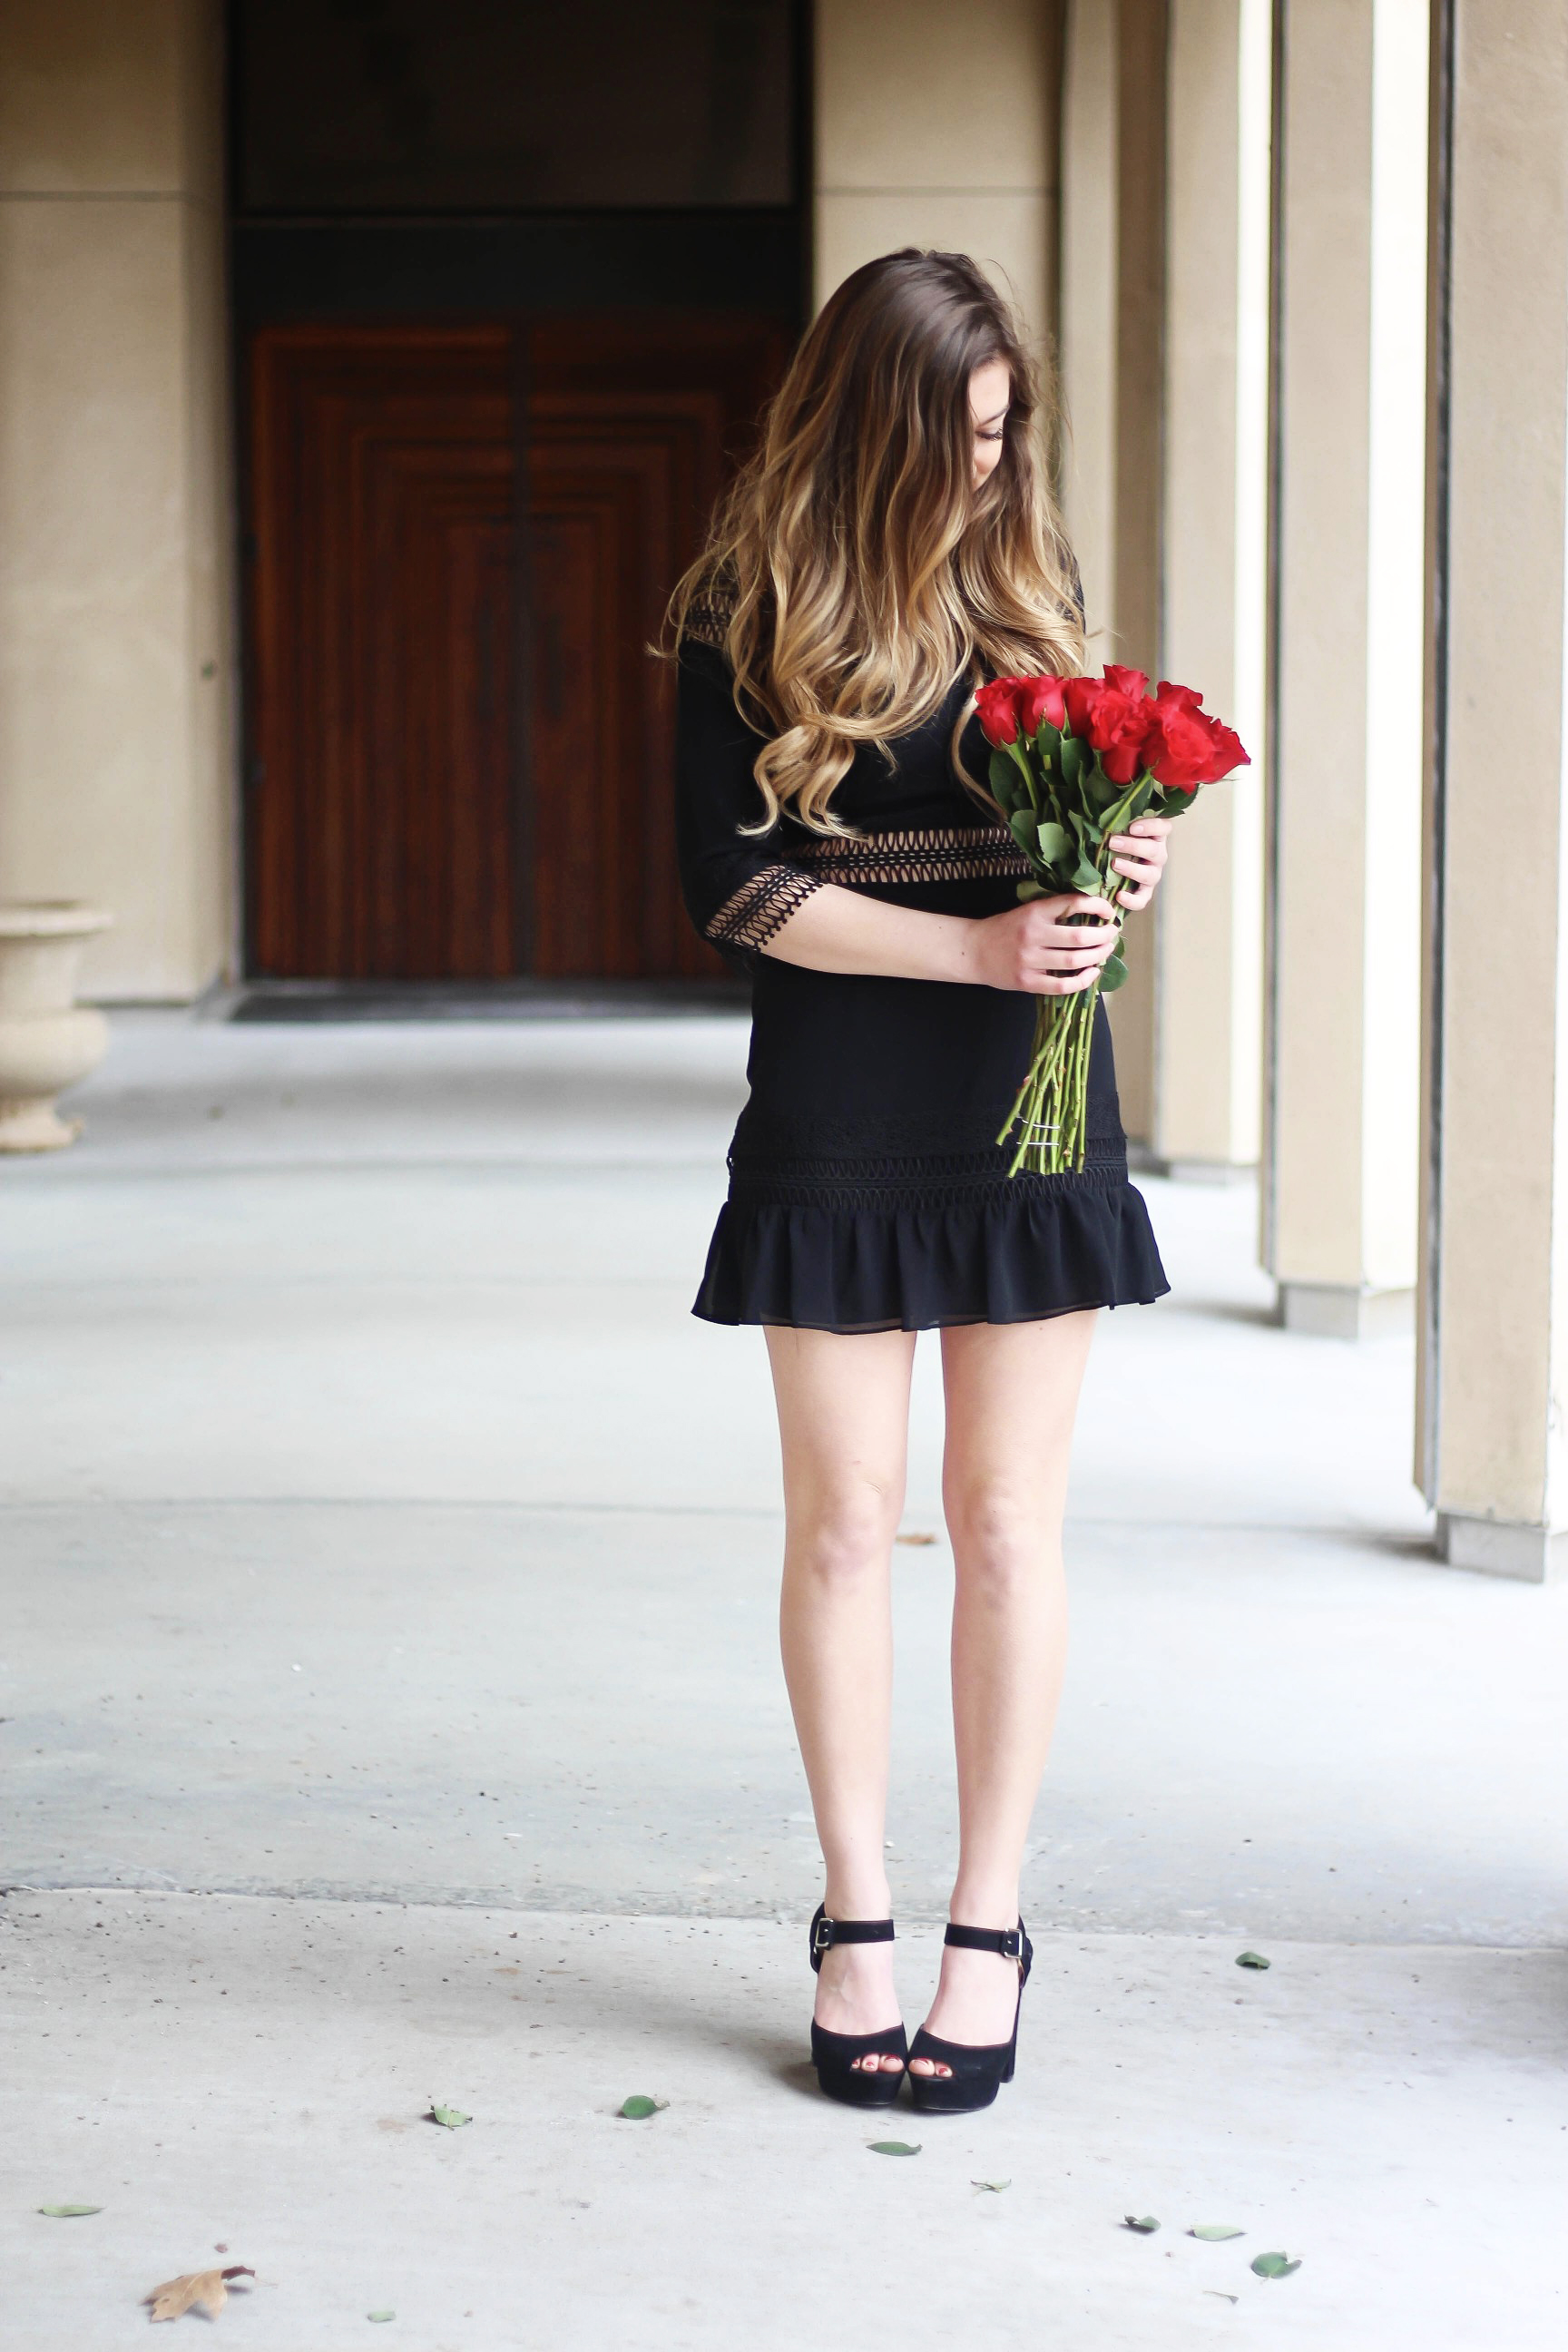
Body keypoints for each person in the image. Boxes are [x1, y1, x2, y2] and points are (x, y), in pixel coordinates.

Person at [670, 250, 1171, 2115]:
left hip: (1029, 1099)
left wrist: (1116, 886)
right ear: (876, 430)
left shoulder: (1029, 596)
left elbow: (1108, 827)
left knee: (1007, 1522)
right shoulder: (748, 606)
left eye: (1004, 429)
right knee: (839, 1522)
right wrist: (966, 950)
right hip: (839, 1101)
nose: (989, 464)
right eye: (961, 434)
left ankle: (989, 1915)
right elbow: (733, 887)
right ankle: (855, 1911)